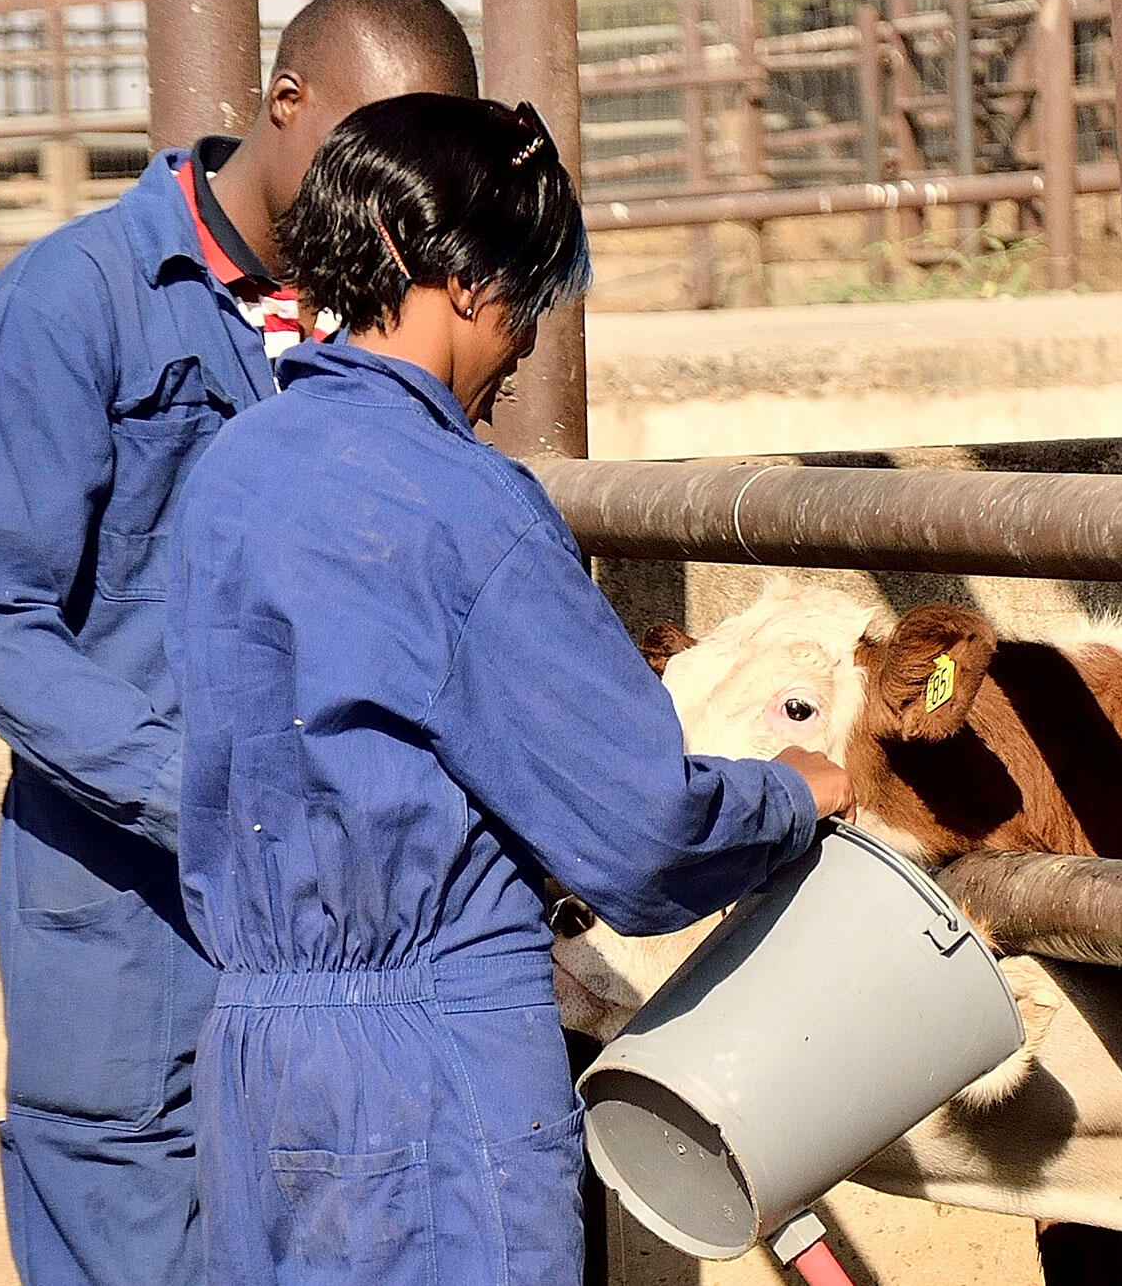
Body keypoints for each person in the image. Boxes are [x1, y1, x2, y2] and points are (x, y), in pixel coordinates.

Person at [166, 92, 855, 1285]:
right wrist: (786, 797)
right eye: (524, 293)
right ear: (442, 266)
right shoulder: (467, 508)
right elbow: (639, 830)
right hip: (428, 1069)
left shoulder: (233, 470)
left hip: (253, 1062)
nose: (529, 339)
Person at [0, 0, 479, 1286]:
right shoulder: (72, 305)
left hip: (340, 950)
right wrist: (216, 795)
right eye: (373, 155)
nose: (400, 205)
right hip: (129, 934)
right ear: (286, 105)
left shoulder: (389, 327)